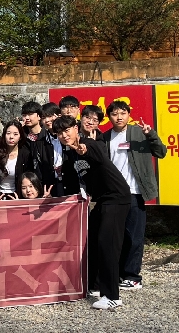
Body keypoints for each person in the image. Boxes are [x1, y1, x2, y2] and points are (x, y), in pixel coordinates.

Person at [53, 115, 131, 310]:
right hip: (102, 199)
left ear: (76, 128)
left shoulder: (90, 144)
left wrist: (84, 149)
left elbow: (96, 153)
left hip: (116, 197)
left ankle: (112, 296)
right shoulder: (71, 155)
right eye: (60, 133)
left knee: (107, 244)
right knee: (93, 241)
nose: (64, 135)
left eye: (67, 130)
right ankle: (96, 286)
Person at [103, 100, 167, 290]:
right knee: (116, 237)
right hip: (115, 194)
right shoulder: (105, 137)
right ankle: (118, 274)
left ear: (129, 115)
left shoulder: (139, 133)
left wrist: (151, 134)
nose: (119, 117)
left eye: (123, 113)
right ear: (109, 117)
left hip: (134, 192)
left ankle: (133, 276)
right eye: (114, 114)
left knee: (134, 237)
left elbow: (161, 152)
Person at [0, 120, 34, 197]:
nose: (11, 137)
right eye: (8, 133)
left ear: (20, 137)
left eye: (15, 134)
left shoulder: (25, 154)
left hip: (18, 195)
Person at [32, 102, 65, 197]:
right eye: (43, 118)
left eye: (50, 116)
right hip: (50, 187)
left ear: (59, 116)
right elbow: (39, 170)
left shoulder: (67, 138)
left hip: (69, 184)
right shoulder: (40, 142)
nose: (47, 120)